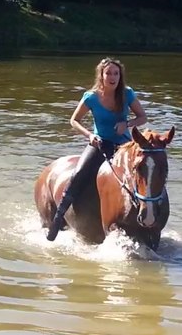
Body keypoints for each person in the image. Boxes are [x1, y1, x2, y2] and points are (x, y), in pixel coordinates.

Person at [46, 57, 148, 241]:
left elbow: (142, 117)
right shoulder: (91, 97)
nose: (112, 77)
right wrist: (90, 136)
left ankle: (150, 218)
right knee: (78, 175)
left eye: (116, 73)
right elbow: (74, 120)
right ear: (101, 75)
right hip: (99, 144)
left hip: (124, 147)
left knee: (144, 173)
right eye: (108, 73)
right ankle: (57, 219)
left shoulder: (127, 93)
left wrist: (128, 123)